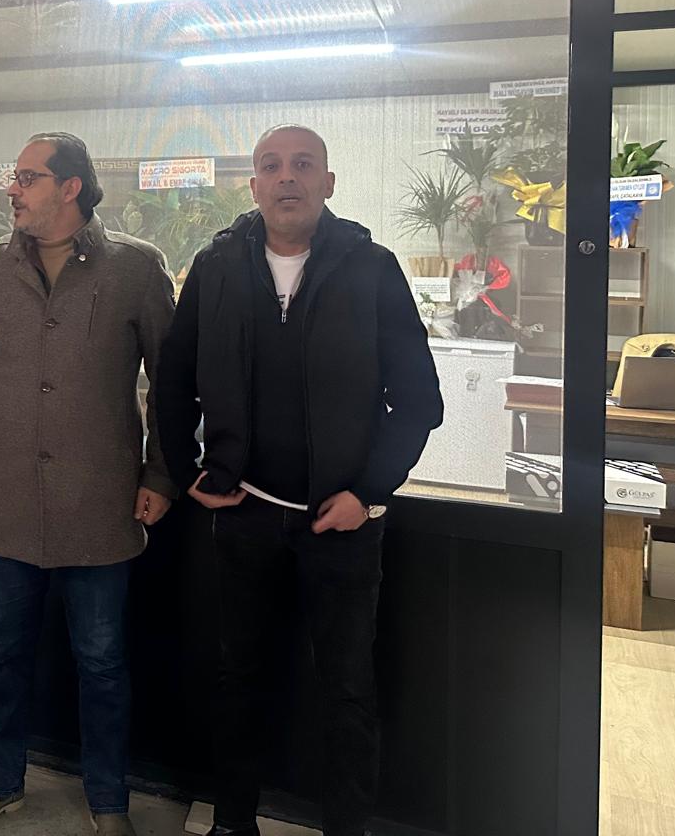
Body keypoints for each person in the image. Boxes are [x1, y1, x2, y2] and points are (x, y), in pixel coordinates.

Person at [155, 124, 444, 836]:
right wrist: (189, 469)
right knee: (240, 679)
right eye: (272, 165)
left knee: (347, 690)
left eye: (303, 164)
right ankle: (232, 822)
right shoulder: (215, 267)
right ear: (253, 185)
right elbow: (174, 380)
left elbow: (418, 401)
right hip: (245, 514)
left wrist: (369, 494)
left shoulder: (371, 268)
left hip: (341, 523)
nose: (288, 176)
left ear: (328, 183)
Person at [0, 132, 176, 836]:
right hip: (4, 503)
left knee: (102, 664)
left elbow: (172, 383)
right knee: (3, 655)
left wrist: (161, 471)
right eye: (15, 177)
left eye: (27, 177)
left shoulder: (136, 269)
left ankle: (108, 799)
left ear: (70, 187)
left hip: (101, 505)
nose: (12, 188)